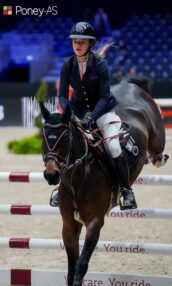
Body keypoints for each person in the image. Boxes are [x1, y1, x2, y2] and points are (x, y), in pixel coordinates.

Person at [52, 21, 137, 210]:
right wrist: (70, 115)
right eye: (75, 41)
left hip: (103, 111)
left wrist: (92, 117)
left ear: (90, 44)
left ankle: (126, 191)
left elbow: (104, 96)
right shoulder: (68, 64)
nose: (78, 44)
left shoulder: (100, 64)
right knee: (67, 144)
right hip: (77, 113)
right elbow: (63, 96)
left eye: (82, 41)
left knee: (114, 146)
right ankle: (61, 189)